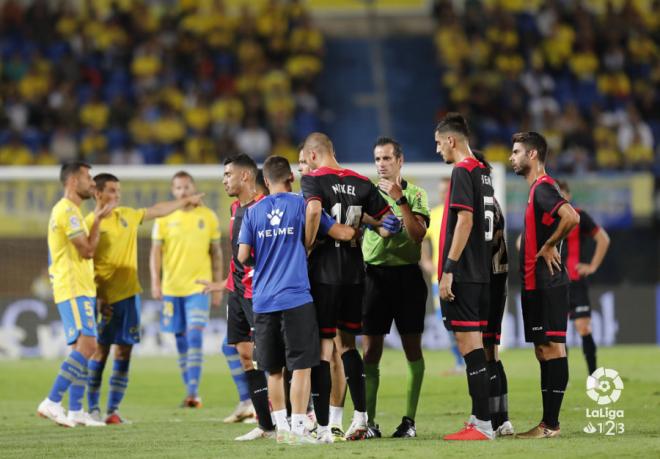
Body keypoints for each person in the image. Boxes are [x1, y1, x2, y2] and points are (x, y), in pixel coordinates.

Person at [300, 132, 400, 441]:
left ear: (313, 156)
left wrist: (306, 246)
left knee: (322, 349)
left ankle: (325, 426)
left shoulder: (314, 180)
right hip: (355, 275)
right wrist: (377, 225)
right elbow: (387, 227)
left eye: (304, 161)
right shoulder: (361, 182)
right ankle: (360, 418)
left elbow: (314, 211)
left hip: (324, 274)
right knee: (348, 347)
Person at [84, 173, 204, 424]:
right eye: (112, 191)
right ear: (97, 193)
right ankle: (92, 408)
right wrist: (97, 297)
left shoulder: (125, 215)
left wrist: (184, 202)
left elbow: (157, 210)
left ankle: (112, 411)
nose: (117, 195)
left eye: (119, 190)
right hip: (106, 298)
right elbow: (86, 262)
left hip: (130, 296)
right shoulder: (90, 223)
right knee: (100, 352)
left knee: (124, 352)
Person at [236, 156, 323, 444]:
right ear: (290, 178)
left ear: (265, 181)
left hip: (263, 300)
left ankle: (281, 428)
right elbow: (326, 224)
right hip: (296, 297)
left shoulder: (252, 212)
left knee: (272, 368)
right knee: (301, 365)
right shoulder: (300, 204)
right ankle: (299, 426)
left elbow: (242, 256)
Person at [509, 131, 580, 438]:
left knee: (551, 348)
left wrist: (550, 244)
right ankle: (548, 423)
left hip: (546, 283)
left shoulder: (542, 189)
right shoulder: (536, 191)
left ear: (533, 155)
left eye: (516, 152)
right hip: (536, 283)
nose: (512, 157)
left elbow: (571, 216)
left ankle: (550, 425)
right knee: (545, 350)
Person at [361, 137, 429, 438]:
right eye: (377, 159)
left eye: (387, 158)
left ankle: (409, 422)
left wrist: (400, 200)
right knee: (371, 350)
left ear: (399, 161)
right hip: (373, 277)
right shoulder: (367, 194)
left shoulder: (415, 194)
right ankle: (369, 422)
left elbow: (417, 235)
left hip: (408, 279)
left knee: (411, 348)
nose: (381, 164)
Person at [37, 161, 112, 428]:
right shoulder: (66, 211)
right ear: (72, 181)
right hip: (72, 287)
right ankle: (52, 400)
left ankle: (76, 410)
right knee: (89, 345)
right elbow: (87, 251)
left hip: (80, 287)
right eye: (87, 177)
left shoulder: (74, 211)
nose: (91, 182)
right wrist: (99, 221)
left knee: (82, 348)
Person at [434, 113, 495, 441]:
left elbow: (466, 222)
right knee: (475, 346)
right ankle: (480, 417)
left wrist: (449, 270)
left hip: (465, 273)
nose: (438, 149)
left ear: (451, 140)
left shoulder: (462, 170)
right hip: (481, 271)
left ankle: (483, 425)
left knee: (469, 346)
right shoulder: (484, 172)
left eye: (439, 143)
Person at [149, 171, 222, 408]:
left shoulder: (208, 216)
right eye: (178, 188)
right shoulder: (164, 218)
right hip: (172, 288)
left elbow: (217, 254)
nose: (183, 191)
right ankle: (190, 389)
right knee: (180, 338)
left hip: (198, 288)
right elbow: (155, 253)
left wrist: (218, 286)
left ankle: (193, 392)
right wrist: (156, 282)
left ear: (193, 187)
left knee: (194, 334)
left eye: (187, 187)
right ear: (174, 192)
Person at [472, 152, 514, 437]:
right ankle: (503, 420)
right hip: (499, 281)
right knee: (492, 354)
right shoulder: (494, 203)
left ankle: (484, 419)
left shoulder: (474, 203)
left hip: (481, 283)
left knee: (479, 354)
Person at [557, 180, 610, 375]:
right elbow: (523, 242)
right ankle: (562, 378)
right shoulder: (546, 217)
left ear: (569, 196)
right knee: (558, 333)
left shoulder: (580, 216)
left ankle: (594, 375)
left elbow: (603, 239)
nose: (560, 199)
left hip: (576, 282)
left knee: (583, 328)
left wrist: (593, 266)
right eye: (556, 195)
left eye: (563, 195)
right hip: (555, 283)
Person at [420, 177, 465, 375]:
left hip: (462, 277)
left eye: (446, 190)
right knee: (447, 324)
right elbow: (422, 238)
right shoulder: (435, 214)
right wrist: (426, 260)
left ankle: (470, 362)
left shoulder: (461, 214)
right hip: (439, 279)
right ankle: (460, 362)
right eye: (441, 190)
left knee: (466, 323)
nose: (443, 194)